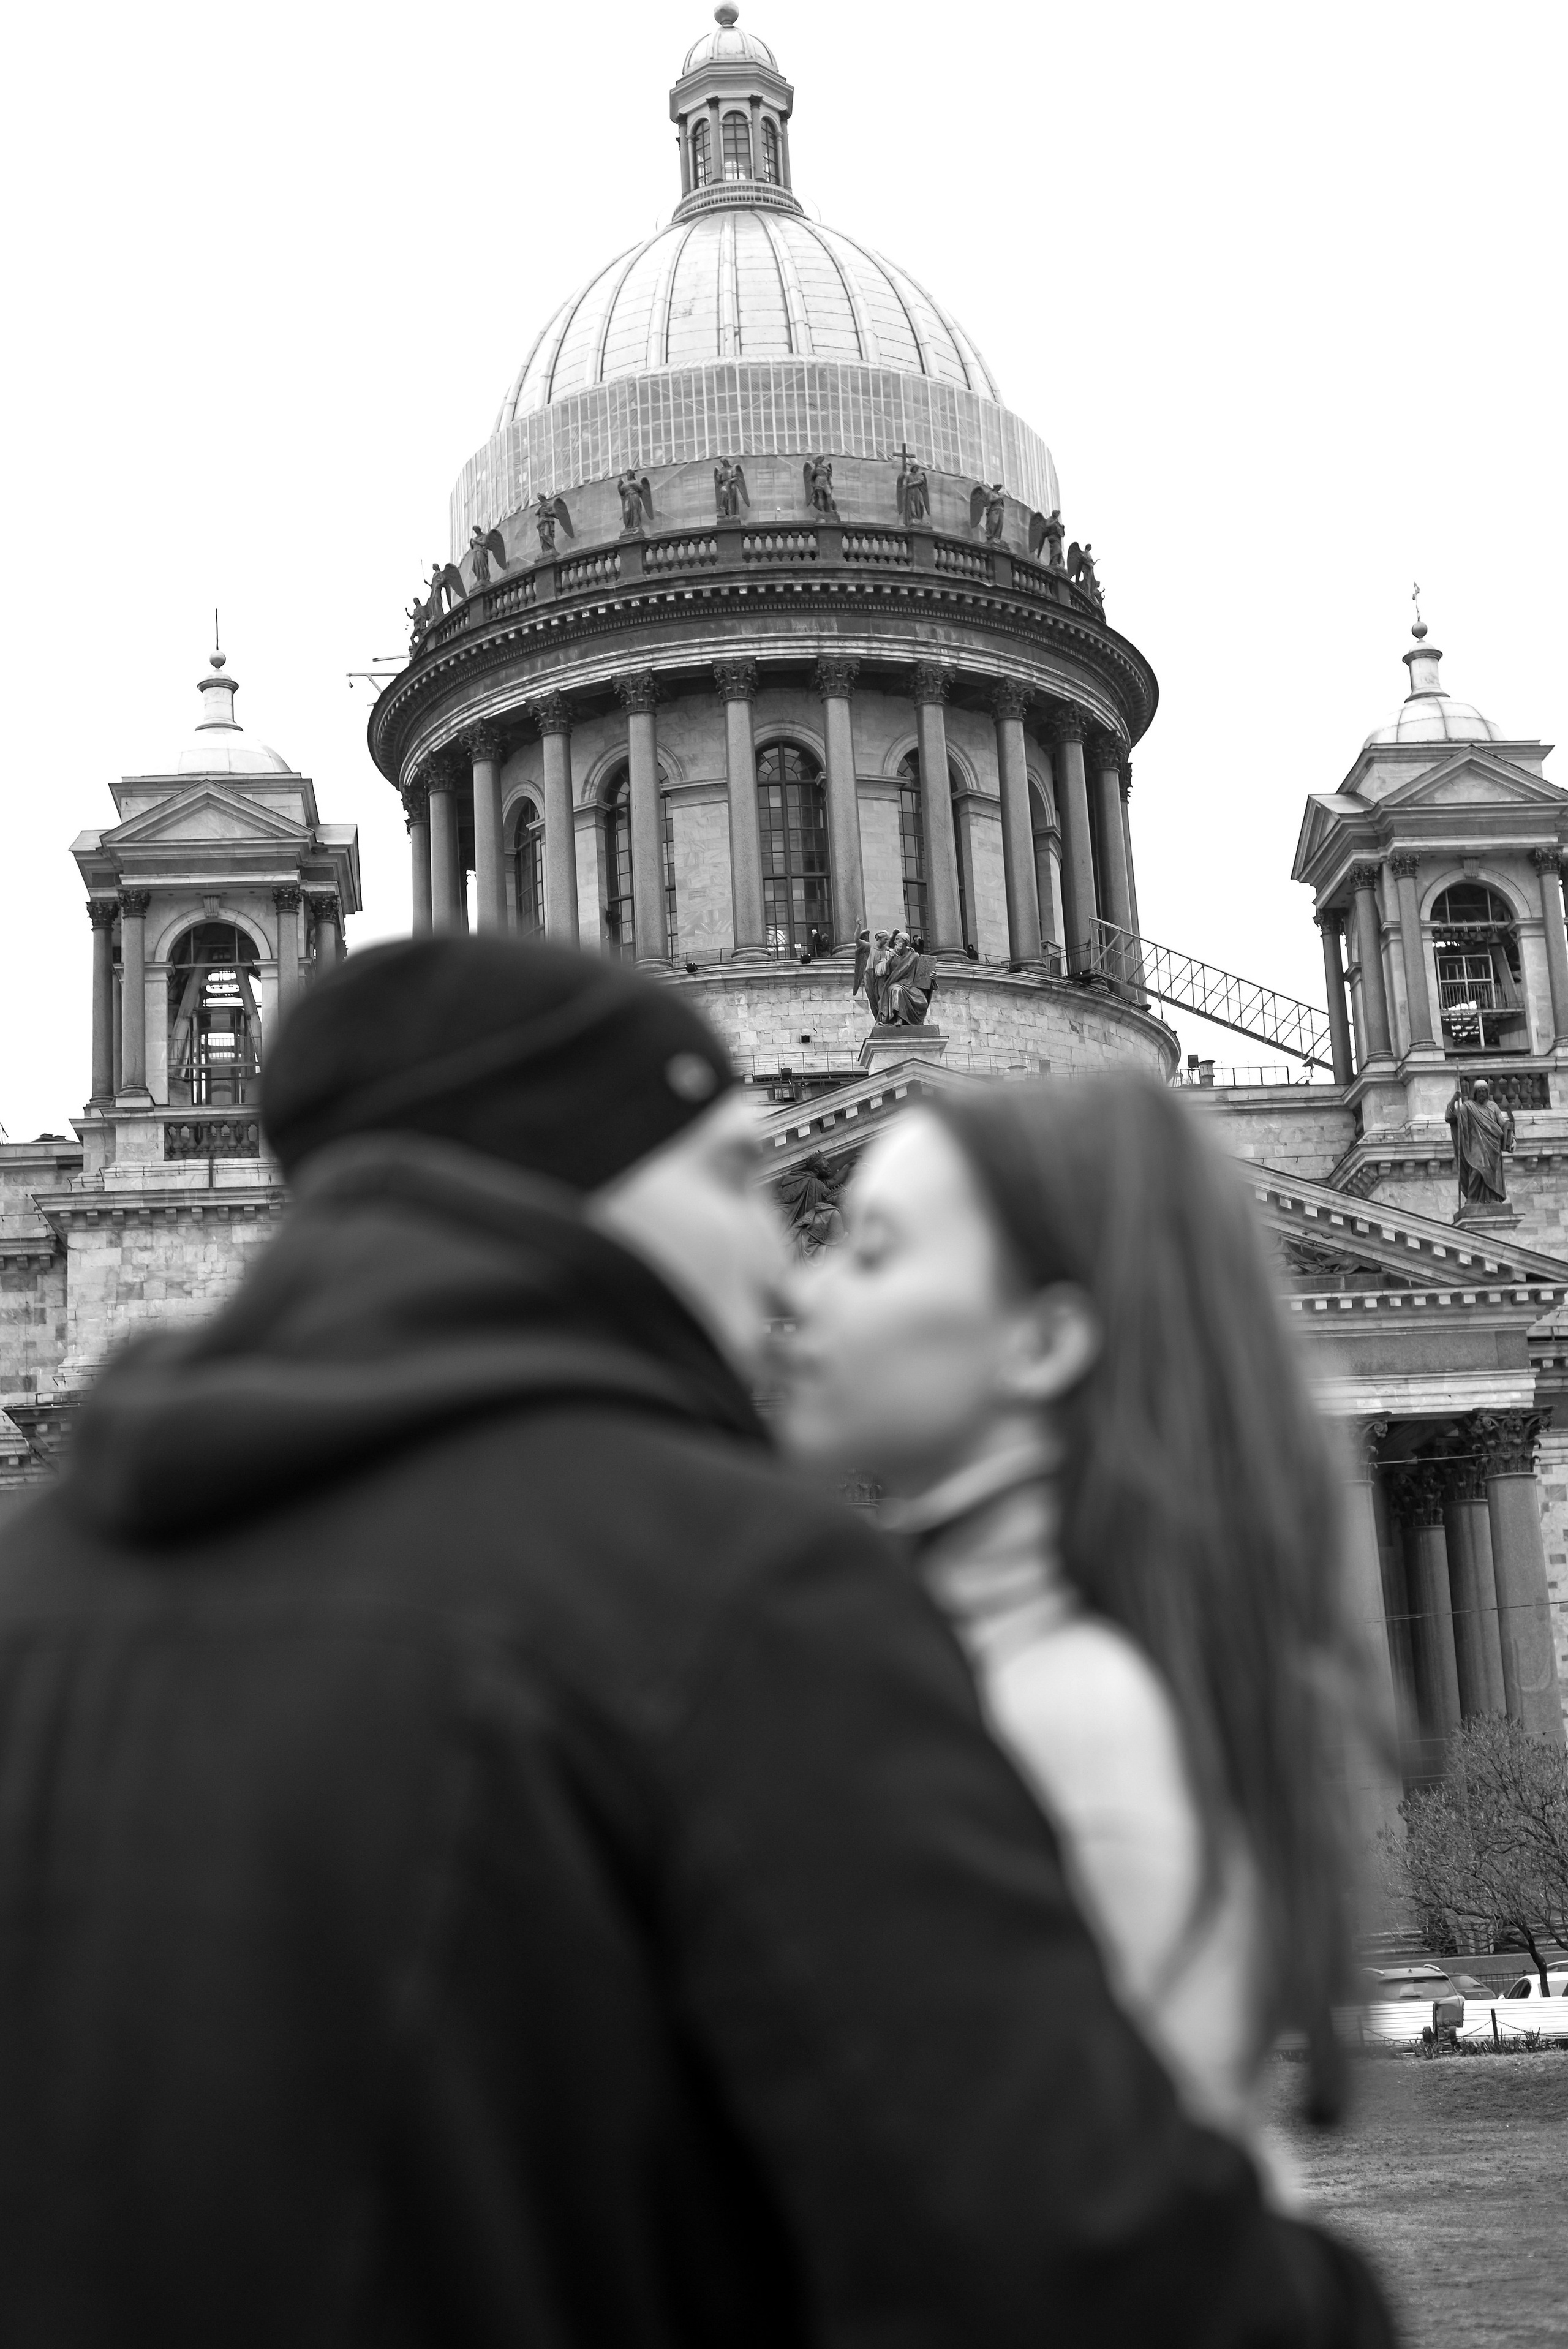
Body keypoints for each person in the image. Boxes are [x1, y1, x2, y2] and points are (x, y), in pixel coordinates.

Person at [0, 946, 1390, 2347]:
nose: (787, 1275)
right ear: (609, 1179)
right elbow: (1065, 2248)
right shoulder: (725, 1588)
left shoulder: (39, 1584)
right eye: (742, 1175)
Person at [780, 1073, 1366, 2170]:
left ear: (1043, 1342)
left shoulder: (1056, 1721)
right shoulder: (1007, 1666)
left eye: (870, 1252)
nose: (801, 1288)